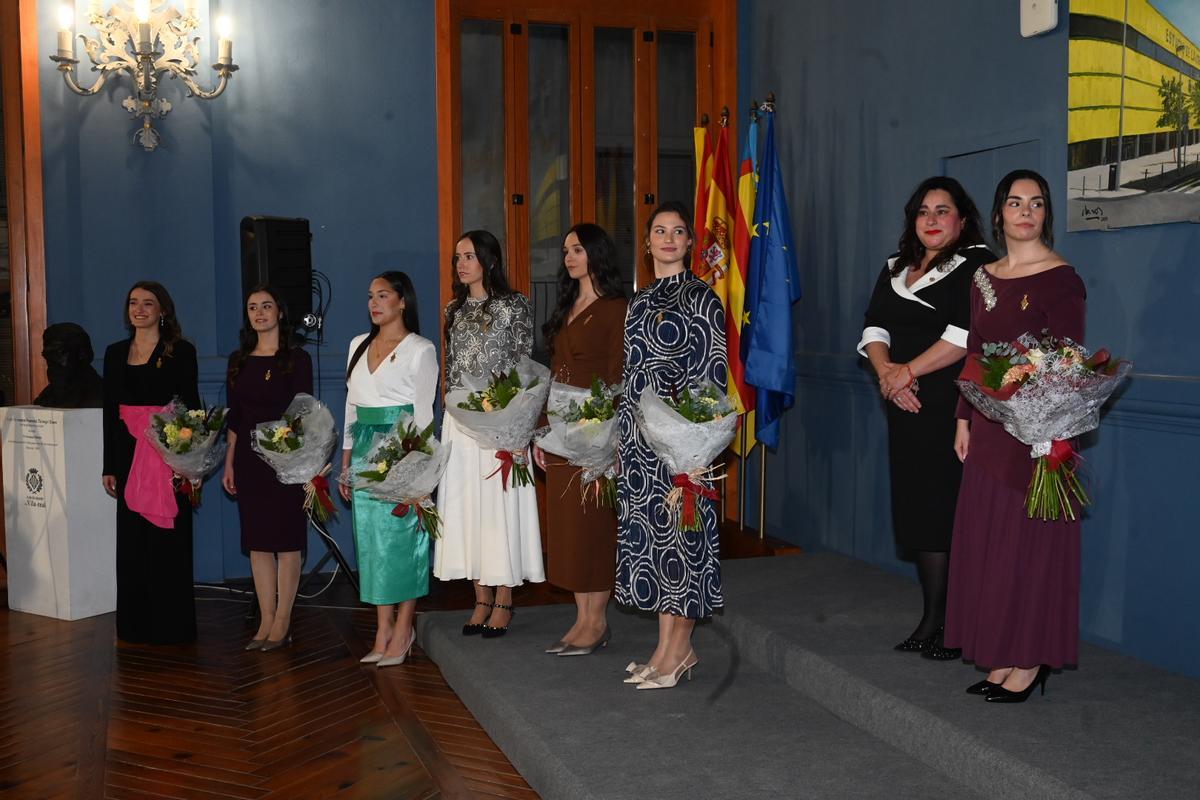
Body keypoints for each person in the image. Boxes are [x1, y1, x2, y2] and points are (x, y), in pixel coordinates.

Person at [944, 169, 1087, 703]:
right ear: (1000, 213)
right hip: (987, 429)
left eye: (1036, 203)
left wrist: (1042, 427)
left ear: (1046, 212)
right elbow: (977, 351)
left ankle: (1030, 661)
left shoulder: (1062, 278)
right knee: (992, 548)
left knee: (1029, 549)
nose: (1025, 212)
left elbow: (1068, 363)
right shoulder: (984, 276)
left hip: (1036, 435)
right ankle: (1003, 653)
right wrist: (964, 415)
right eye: (1014, 202)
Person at [858, 176, 994, 659]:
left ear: (962, 219)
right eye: (923, 212)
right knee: (918, 511)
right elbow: (874, 325)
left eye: (942, 211)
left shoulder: (978, 264)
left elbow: (963, 335)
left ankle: (952, 622)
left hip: (949, 404)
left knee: (946, 513)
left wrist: (904, 373)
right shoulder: (895, 266)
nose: (932, 220)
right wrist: (887, 375)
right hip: (904, 403)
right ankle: (934, 616)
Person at [615, 201, 727, 689]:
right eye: (659, 231)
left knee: (682, 542)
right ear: (647, 242)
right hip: (640, 447)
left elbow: (712, 378)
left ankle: (680, 650)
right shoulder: (638, 301)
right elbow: (630, 374)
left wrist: (696, 452)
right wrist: (620, 441)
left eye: (677, 231)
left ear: (688, 244)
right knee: (655, 545)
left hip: (682, 445)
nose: (667, 238)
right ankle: (663, 648)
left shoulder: (704, 298)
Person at [434, 229, 544, 636]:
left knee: (498, 510)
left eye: (468, 256)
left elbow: (524, 366)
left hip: (500, 420)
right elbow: (452, 370)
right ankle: (480, 596)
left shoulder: (514, 306)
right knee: (467, 510)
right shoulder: (452, 311)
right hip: (460, 422)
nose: (461, 263)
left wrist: (518, 427)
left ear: (489, 260)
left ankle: (504, 599)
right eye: (457, 257)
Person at [532, 223, 627, 656]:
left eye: (577, 249)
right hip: (561, 431)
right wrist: (541, 431)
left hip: (596, 431)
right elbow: (552, 375)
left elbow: (617, 374)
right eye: (566, 250)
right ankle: (580, 618)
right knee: (569, 529)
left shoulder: (615, 308)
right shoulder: (566, 306)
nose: (569, 257)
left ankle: (597, 621)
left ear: (596, 254)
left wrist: (610, 437)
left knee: (593, 528)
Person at [338, 271, 439, 667]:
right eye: (369, 297)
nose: (374, 303)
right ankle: (382, 629)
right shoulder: (357, 346)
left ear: (402, 302)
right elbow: (351, 405)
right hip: (364, 446)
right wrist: (345, 461)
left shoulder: (420, 349)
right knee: (372, 542)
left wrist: (422, 471)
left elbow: (424, 414)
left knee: (403, 538)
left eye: (383, 296)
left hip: (403, 446)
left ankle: (404, 627)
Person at [102, 281, 200, 644]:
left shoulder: (182, 351)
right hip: (127, 455)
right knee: (132, 543)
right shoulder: (114, 353)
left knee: (167, 541)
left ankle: (171, 626)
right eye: (133, 303)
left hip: (168, 454)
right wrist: (108, 465)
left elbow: (190, 408)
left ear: (163, 311)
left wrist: (187, 463)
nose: (139, 309)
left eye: (148, 303)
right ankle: (134, 626)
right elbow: (110, 415)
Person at [222, 286, 314, 651]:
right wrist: (229, 462)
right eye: (252, 308)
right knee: (258, 544)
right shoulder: (238, 360)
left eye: (266, 306)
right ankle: (265, 619)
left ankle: (283, 620)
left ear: (279, 312)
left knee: (286, 541)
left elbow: (303, 412)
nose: (259, 313)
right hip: (248, 460)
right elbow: (236, 417)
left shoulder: (297, 359)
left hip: (286, 458)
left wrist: (295, 457)